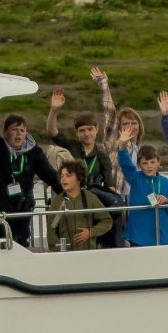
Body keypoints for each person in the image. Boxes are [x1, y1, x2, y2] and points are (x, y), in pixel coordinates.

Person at [45, 81, 125, 244]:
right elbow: (52, 132)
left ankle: (113, 246)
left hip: (94, 201)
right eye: (82, 130)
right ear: (77, 133)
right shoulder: (72, 147)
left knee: (116, 207)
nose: (86, 133)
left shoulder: (102, 156)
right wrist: (54, 110)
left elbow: (109, 186)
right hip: (75, 198)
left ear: (96, 129)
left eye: (89, 129)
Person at [0, 109, 61, 246]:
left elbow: (51, 176)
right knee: (1, 244)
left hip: (23, 208)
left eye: (22, 130)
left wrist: (72, 193)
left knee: (22, 243)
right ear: (5, 133)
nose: (19, 134)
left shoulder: (34, 152)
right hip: (0, 211)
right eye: (14, 129)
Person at [112, 127, 168, 247]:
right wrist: (122, 145)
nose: (149, 166)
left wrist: (166, 200)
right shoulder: (135, 178)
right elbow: (125, 163)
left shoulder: (166, 182)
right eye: (145, 163)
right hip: (138, 237)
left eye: (152, 162)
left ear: (159, 162)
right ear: (138, 165)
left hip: (160, 236)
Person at [45, 159, 114, 251]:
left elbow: (107, 221)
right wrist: (57, 250)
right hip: (65, 255)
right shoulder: (57, 201)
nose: (63, 179)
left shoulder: (90, 198)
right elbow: (52, 229)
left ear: (79, 178)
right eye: (61, 176)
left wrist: (90, 232)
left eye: (68, 175)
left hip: (88, 254)